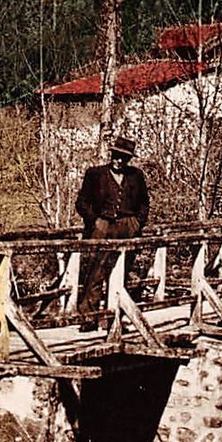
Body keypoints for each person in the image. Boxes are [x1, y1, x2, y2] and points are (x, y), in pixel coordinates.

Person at [74, 134, 149, 329]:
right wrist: (95, 221)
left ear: (129, 159)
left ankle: (113, 317)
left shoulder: (136, 176)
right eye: (116, 156)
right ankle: (89, 317)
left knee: (121, 272)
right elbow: (81, 203)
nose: (119, 161)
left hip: (127, 227)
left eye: (123, 158)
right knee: (95, 271)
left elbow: (144, 203)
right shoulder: (95, 174)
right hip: (102, 226)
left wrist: (137, 223)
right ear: (111, 155)